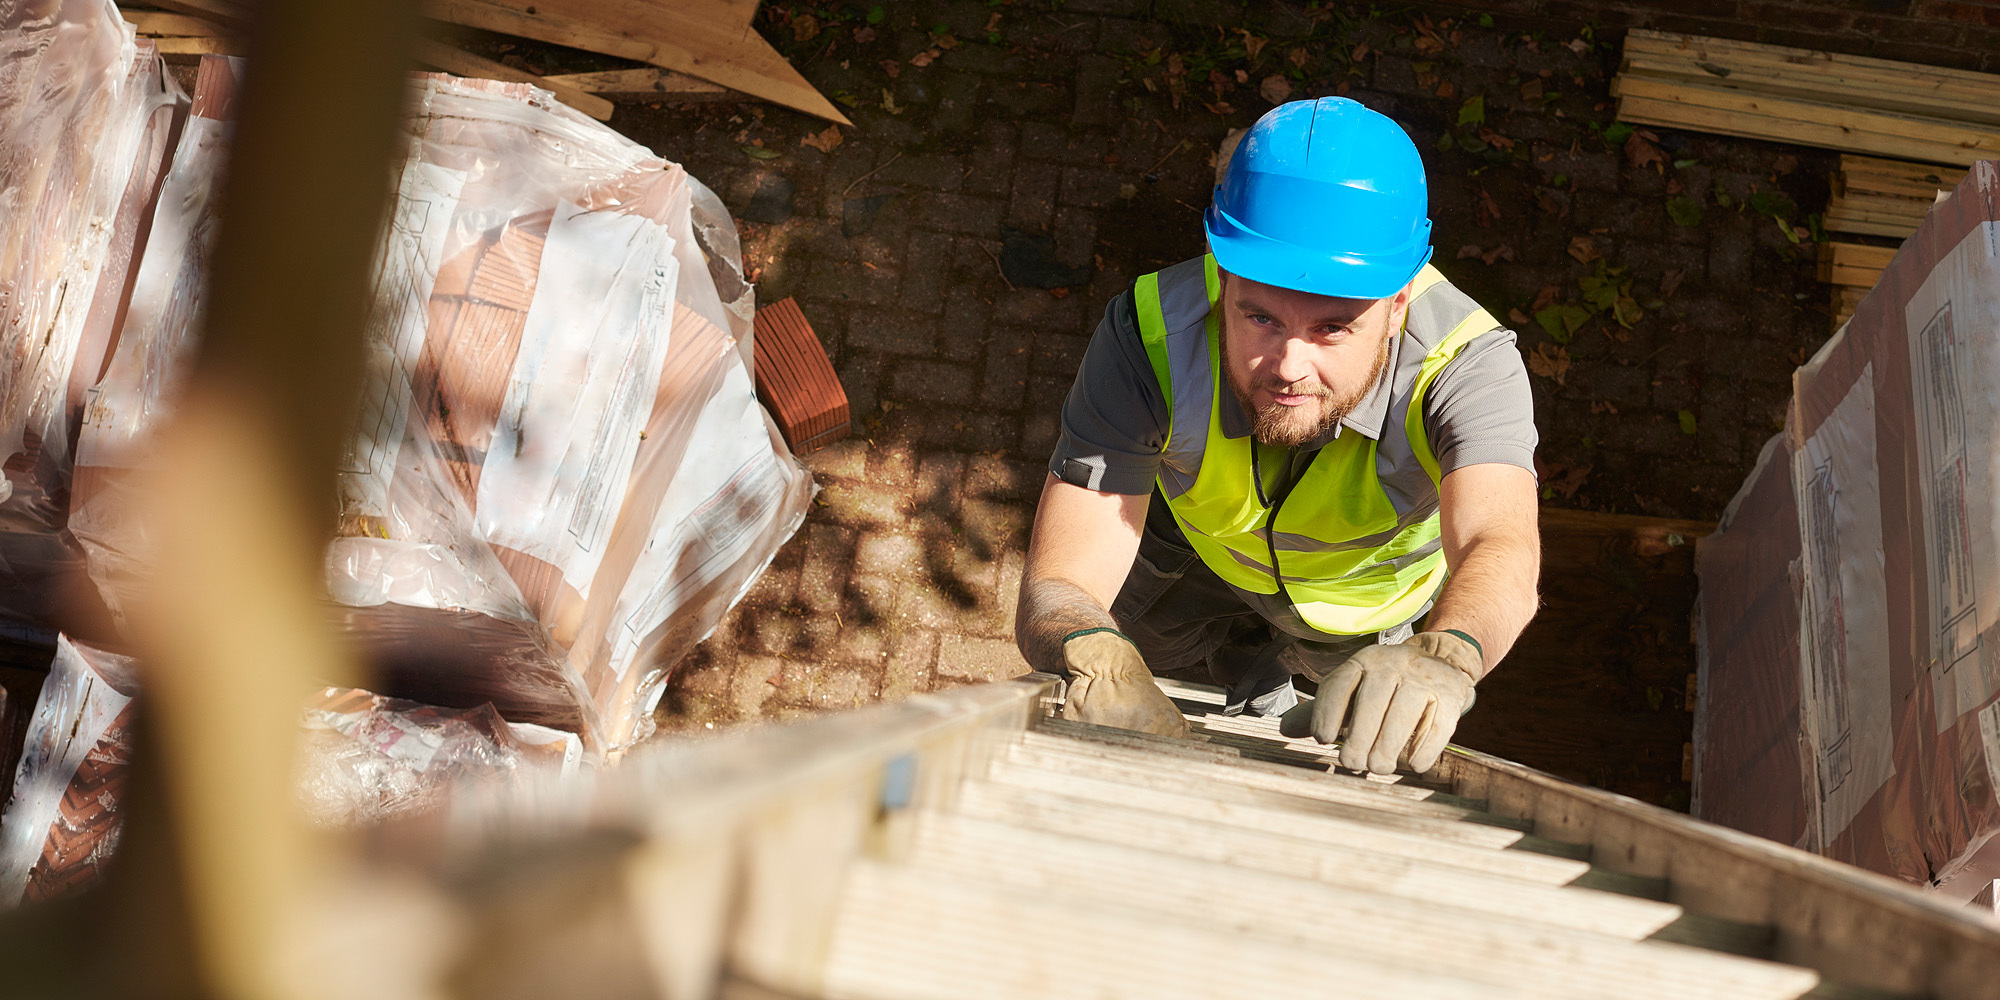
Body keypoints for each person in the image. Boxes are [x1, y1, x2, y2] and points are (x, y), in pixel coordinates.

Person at [1014, 97, 1541, 776]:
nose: (1291, 367)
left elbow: (1500, 542)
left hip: (1356, 613)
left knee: (1346, 706)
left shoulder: (1467, 365)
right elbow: (1062, 579)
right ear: (1221, 271)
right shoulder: (1147, 334)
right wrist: (1092, 650)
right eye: (1259, 317)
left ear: (1399, 301)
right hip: (1190, 564)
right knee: (1146, 670)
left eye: (1332, 327)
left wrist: (1449, 651)